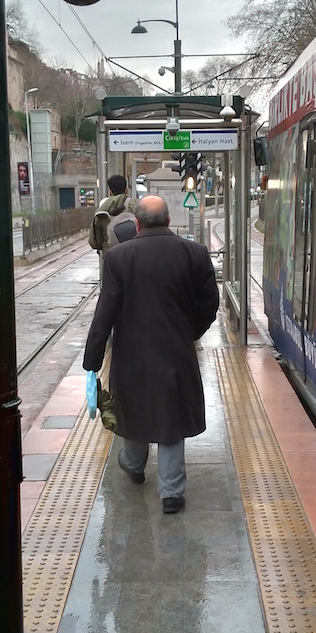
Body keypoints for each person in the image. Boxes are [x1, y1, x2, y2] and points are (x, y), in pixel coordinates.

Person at [83, 194, 219, 513]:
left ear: (138, 223)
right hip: (176, 352)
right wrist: (189, 332)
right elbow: (209, 305)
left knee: (133, 411)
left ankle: (133, 464)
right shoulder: (194, 253)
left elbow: (105, 313)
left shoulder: (118, 257)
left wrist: (92, 362)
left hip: (132, 354)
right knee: (171, 416)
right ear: (169, 221)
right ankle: (171, 493)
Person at [88, 174, 137, 251]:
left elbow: (93, 242)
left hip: (109, 255)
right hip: (132, 253)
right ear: (126, 190)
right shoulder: (136, 205)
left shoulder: (102, 208)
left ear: (110, 192)